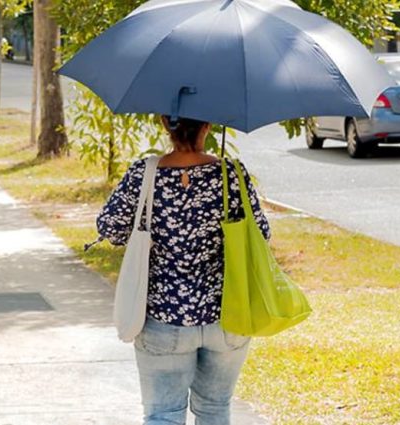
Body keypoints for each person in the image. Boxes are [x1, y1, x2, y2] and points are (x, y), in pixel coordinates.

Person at [97, 116, 271, 425]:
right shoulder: (231, 174)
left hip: (164, 318)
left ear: (165, 124)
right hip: (228, 315)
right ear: (208, 126)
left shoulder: (145, 174)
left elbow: (110, 228)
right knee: (215, 409)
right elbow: (261, 234)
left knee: (163, 415)